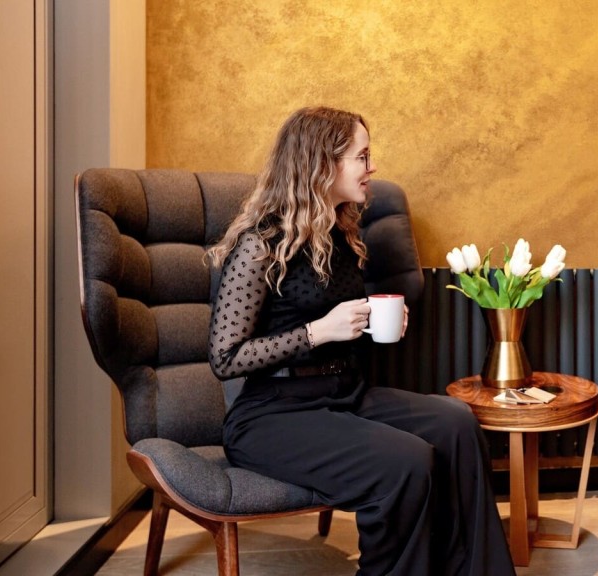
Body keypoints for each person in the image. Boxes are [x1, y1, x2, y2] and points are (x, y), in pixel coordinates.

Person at [206, 106, 515, 576]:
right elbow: (225, 358)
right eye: (362, 156)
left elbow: (334, 320)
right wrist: (319, 331)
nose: (372, 168)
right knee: (406, 462)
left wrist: (372, 321)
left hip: (345, 395)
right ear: (321, 164)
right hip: (272, 415)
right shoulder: (259, 245)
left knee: (456, 422)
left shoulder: (340, 233)